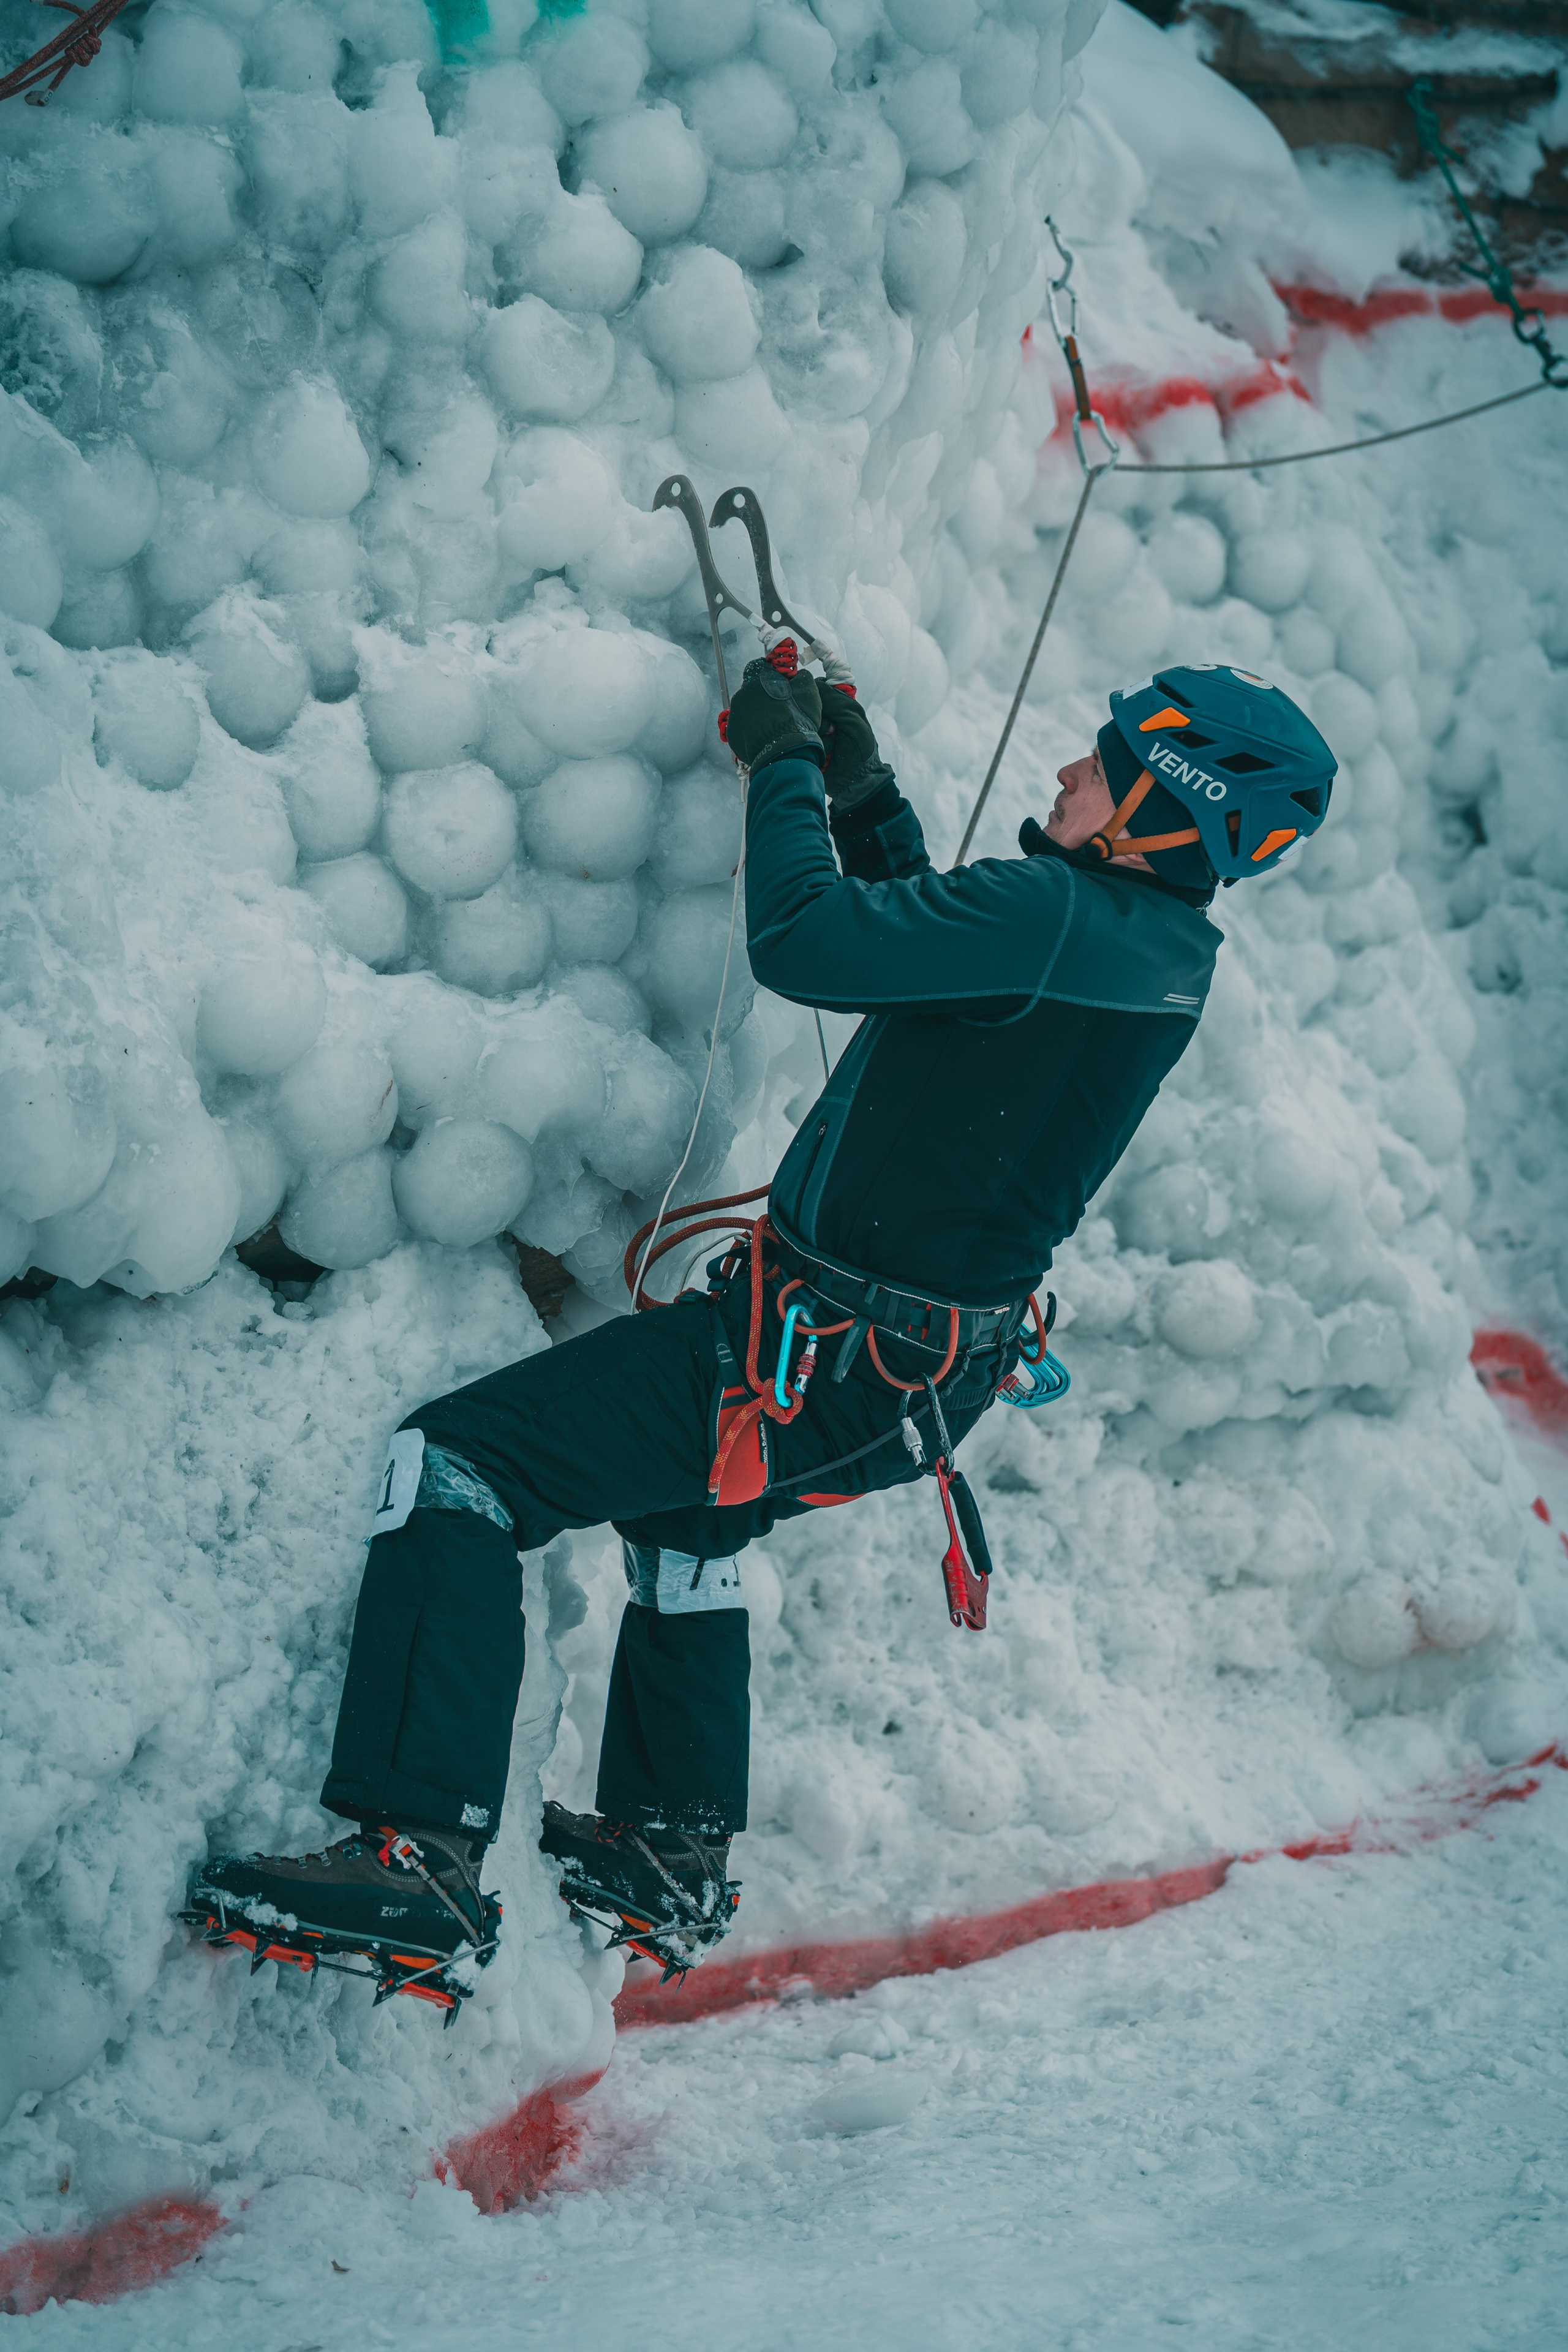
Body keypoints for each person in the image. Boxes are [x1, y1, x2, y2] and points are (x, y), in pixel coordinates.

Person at [186, 657, 1336, 2013]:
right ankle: (666, 1852)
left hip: (817, 1356)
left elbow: (806, 942)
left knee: (460, 1465)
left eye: (1106, 764)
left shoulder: (1061, 916)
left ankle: (415, 1857)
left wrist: (781, 762)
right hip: (895, 1380)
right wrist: (863, 789)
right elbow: (939, 953)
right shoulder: (1139, 942)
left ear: (1164, 809)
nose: (1070, 771)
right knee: (691, 1517)